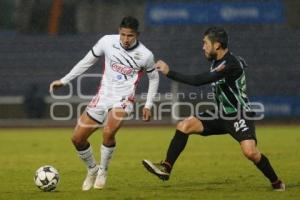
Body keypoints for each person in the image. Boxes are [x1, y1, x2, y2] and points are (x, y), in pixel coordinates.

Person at [142, 27, 285, 191]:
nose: (203, 47)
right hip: (219, 114)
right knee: (184, 125)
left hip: (238, 114)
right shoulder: (217, 62)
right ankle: (166, 168)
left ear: (217, 45)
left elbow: (198, 81)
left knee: (250, 152)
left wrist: (169, 72)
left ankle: (276, 182)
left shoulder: (229, 64)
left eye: (205, 43)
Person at [49, 16, 159, 191]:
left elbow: (154, 78)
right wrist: (64, 80)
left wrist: (148, 105)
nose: (126, 39)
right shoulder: (107, 42)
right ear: (118, 31)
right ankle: (92, 169)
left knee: (108, 131)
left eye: (130, 35)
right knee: (77, 139)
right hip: (103, 97)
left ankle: (103, 171)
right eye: (123, 34)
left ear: (137, 34)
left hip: (124, 99)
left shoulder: (146, 55)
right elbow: (86, 61)